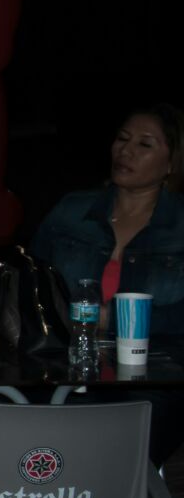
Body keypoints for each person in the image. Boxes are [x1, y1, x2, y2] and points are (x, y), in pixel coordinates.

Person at [31, 103, 183, 335]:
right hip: (67, 358)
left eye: (144, 144)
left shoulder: (178, 226)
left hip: (157, 364)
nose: (126, 151)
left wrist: (115, 320)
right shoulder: (72, 212)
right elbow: (30, 282)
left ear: (171, 163)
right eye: (122, 139)